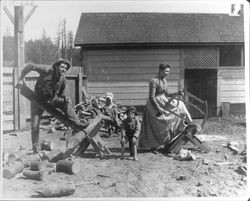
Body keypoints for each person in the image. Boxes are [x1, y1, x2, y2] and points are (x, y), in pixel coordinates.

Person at [16, 58, 87, 154]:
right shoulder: (46, 70)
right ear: (56, 67)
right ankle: (35, 148)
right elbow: (30, 65)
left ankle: (77, 123)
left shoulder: (63, 80)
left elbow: (61, 94)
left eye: (65, 68)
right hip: (37, 100)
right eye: (62, 67)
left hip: (52, 101)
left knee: (66, 102)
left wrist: (66, 98)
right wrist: (21, 79)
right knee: (34, 125)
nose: (63, 69)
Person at [139, 63, 193, 153]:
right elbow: (151, 97)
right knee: (157, 125)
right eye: (166, 71)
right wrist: (158, 108)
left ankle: (187, 123)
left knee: (180, 105)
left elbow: (167, 94)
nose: (167, 73)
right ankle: (153, 146)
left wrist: (177, 93)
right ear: (160, 70)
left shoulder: (164, 80)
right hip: (154, 104)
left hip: (163, 100)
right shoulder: (154, 81)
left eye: (168, 72)